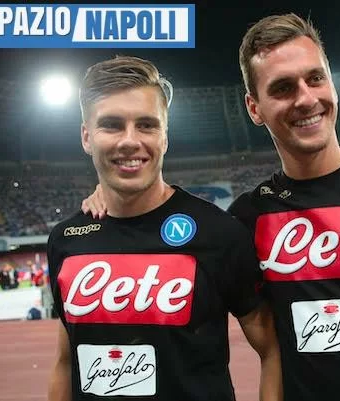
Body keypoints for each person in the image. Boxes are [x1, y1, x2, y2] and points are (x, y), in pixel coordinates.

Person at [82, 14, 340, 401]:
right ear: (254, 108)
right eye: (282, 88)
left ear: (331, 84)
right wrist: (109, 197)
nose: (306, 98)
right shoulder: (245, 220)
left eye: (315, 78)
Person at [49, 55, 282, 401]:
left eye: (146, 125)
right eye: (111, 125)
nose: (129, 141)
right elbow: (65, 362)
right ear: (86, 137)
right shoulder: (66, 241)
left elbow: (272, 349)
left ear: (165, 137)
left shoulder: (219, 233)